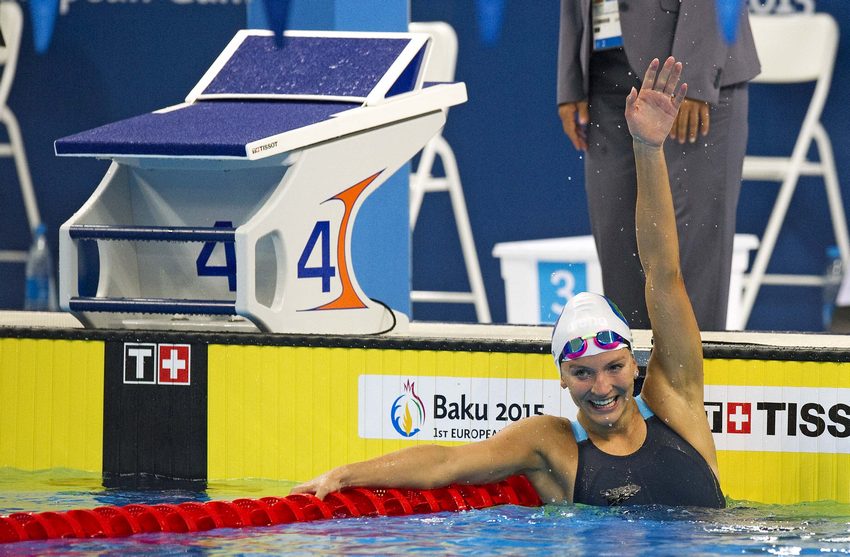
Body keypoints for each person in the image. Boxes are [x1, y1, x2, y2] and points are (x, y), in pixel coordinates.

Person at [292, 57, 724, 508]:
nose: (601, 388)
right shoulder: (553, 444)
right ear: (561, 377)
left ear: (635, 365)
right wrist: (346, 474)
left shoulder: (675, 398)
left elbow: (663, 272)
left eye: (613, 367)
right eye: (582, 373)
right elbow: (447, 463)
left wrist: (648, 149)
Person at [557, 0, 760, 331]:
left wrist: (693, 74)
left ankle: (692, 381)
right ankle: (633, 380)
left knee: (691, 254)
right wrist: (571, 78)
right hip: (602, 71)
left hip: (688, 68)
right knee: (618, 245)